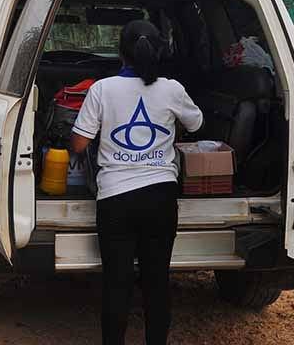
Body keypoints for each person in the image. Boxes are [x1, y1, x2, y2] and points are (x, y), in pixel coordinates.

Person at [70, 19, 203, 345]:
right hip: (160, 197)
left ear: (120, 52)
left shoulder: (102, 89)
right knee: (156, 281)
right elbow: (197, 123)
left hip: (115, 199)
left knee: (117, 283)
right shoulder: (172, 88)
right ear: (159, 50)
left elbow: (78, 145)